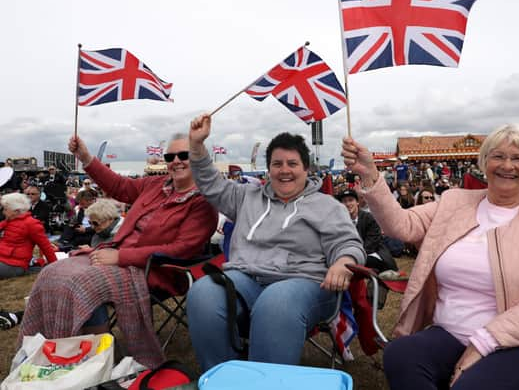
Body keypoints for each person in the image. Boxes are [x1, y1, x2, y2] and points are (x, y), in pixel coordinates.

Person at [342, 123, 519, 390]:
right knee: (401, 355)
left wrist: (486, 340)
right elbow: (401, 225)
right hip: (451, 332)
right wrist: (370, 175)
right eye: (498, 156)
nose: (507, 165)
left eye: (518, 158)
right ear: (484, 162)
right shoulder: (455, 202)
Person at [19, 133, 218, 368]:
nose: (176, 161)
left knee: (83, 284)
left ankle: (101, 359)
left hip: (155, 270)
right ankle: (48, 353)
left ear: (198, 157)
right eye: (170, 156)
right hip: (114, 255)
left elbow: (182, 249)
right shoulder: (155, 184)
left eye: (184, 155)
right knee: (52, 271)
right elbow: (118, 185)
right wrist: (85, 156)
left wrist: (121, 256)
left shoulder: (204, 201)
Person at [186, 114, 365, 371]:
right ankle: (223, 377)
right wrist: (196, 146)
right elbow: (210, 184)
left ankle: (265, 383)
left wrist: (344, 262)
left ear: (306, 168)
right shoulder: (247, 196)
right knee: (204, 293)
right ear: (268, 169)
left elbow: (347, 242)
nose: (284, 170)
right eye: (277, 163)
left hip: (306, 282)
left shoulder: (326, 205)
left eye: (293, 163)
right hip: (247, 279)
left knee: (276, 302)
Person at [336, 189, 397, 272]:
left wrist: (354, 255)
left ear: (357, 202)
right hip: (349, 254)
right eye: (344, 201)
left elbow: (371, 244)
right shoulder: (339, 221)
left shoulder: (369, 218)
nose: (348, 204)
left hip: (371, 253)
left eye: (351, 200)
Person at [0, 193, 58, 279]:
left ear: (16, 210)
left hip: (14, 264)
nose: (3, 212)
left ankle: (36, 269)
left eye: (5, 209)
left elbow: (45, 246)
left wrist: (55, 267)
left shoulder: (31, 224)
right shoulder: (8, 221)